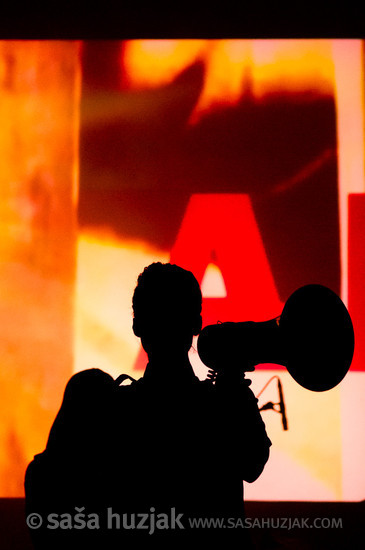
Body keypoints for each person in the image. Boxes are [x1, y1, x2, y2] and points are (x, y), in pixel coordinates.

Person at [25, 262, 271, 548]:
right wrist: (232, 381)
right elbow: (252, 464)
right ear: (196, 323)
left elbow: (47, 494)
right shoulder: (221, 403)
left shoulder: (110, 409)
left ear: (137, 325)